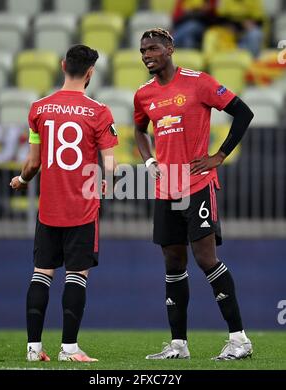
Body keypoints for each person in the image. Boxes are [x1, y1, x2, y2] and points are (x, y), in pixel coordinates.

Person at [134, 28, 254, 360]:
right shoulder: (143, 94)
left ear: (169, 49)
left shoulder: (198, 81)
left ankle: (240, 339)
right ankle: (178, 345)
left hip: (197, 185)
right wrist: (149, 160)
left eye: (153, 49)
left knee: (205, 259)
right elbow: (139, 130)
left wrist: (220, 155)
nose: (146, 55)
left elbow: (243, 112)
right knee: (173, 262)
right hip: (165, 188)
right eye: (143, 50)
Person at [10, 44, 118, 362]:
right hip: (81, 209)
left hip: (49, 209)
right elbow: (110, 167)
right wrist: (106, 184)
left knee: (41, 273)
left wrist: (22, 181)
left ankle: (33, 349)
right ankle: (69, 349)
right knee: (76, 276)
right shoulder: (99, 112)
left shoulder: (38, 109)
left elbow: (33, 163)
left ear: (62, 66)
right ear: (90, 73)